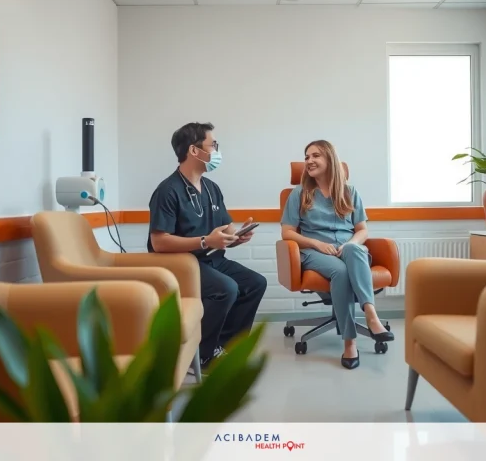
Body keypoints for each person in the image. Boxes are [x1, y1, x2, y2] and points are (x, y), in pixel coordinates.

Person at [148, 122, 267, 372]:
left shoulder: (212, 188)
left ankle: (223, 347)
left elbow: (223, 229)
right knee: (226, 289)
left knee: (255, 283)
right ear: (194, 150)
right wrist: (204, 241)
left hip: (213, 259)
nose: (216, 150)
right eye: (213, 145)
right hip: (182, 264)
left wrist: (237, 236)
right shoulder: (168, 191)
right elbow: (159, 242)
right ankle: (200, 355)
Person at [281, 140, 392, 370]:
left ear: (330, 159)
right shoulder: (299, 193)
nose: (309, 161)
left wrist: (350, 243)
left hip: (349, 251)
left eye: (315, 156)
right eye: (306, 157)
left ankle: (370, 314)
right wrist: (315, 243)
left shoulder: (349, 192)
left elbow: (362, 230)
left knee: (353, 249)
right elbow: (287, 232)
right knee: (339, 272)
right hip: (314, 253)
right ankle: (350, 342)